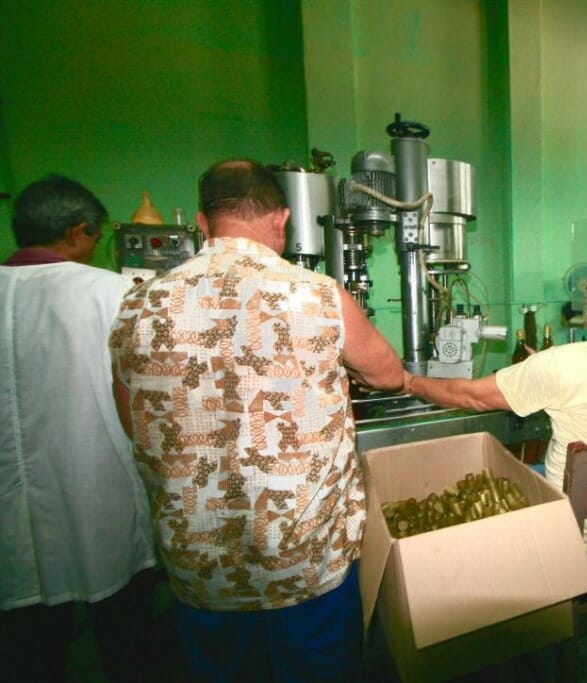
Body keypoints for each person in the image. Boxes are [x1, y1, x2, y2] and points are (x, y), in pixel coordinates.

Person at [108, 159, 404, 681]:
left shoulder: (137, 305)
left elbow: (136, 422)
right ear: (282, 218)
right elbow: (387, 374)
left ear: (203, 223)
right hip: (304, 560)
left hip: (203, 567)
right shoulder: (316, 293)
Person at [402, 247, 587, 556]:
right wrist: (541, 374)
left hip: (583, 534)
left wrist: (408, 382)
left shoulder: (563, 364)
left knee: (486, 491)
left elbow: (471, 396)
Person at [0, 175, 157, 682]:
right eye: (94, 238)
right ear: (77, 232)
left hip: (11, 515)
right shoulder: (111, 293)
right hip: (99, 493)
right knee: (125, 638)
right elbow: (146, 396)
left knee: (28, 644)